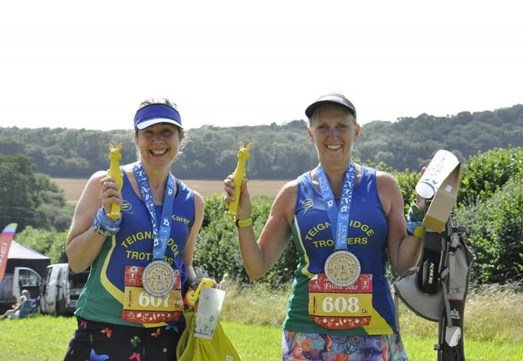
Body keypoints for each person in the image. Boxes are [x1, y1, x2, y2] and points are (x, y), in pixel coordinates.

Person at [224, 93, 424, 360]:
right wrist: (244, 217)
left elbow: (402, 264)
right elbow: (257, 267)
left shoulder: (383, 187)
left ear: (356, 131)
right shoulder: (292, 194)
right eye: (323, 128)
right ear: (310, 134)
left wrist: (422, 212)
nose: (333, 135)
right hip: (308, 333)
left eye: (341, 126)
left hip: (373, 328)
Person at [63, 98, 205, 361]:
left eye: (166, 132)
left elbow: (185, 266)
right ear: (136, 138)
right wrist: (103, 222)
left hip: (166, 334)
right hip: (104, 328)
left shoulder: (193, 202)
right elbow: (76, 261)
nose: (157, 141)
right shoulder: (106, 183)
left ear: (180, 138)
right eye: (148, 133)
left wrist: (200, 285)